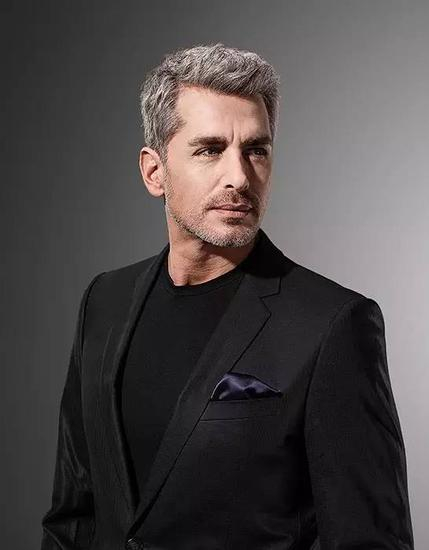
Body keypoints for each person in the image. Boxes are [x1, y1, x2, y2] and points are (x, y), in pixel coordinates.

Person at [41, 43, 414, 550]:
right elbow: (74, 517)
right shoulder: (103, 302)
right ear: (154, 172)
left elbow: (369, 539)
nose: (239, 176)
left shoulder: (333, 324)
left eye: (256, 150)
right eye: (210, 149)